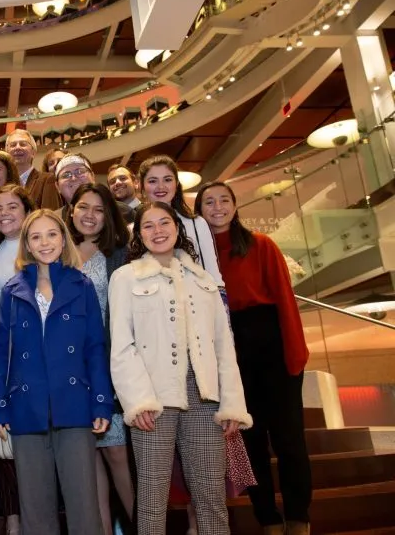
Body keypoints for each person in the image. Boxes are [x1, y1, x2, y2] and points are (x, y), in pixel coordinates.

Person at [109, 201, 252, 535]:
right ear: (138, 234)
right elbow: (122, 345)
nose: (157, 231)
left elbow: (223, 345)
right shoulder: (125, 277)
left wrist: (231, 403)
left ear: (177, 228)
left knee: (211, 495)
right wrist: (137, 400)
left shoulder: (203, 280)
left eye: (164, 223)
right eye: (148, 225)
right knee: (152, 497)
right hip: (154, 398)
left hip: (205, 397)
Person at [0, 209, 113, 535]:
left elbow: (95, 348)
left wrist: (102, 401)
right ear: (26, 244)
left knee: (83, 505)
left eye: (52, 234)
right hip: (26, 407)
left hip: (74, 404)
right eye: (36, 236)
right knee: (35, 508)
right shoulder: (12, 290)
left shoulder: (80, 284)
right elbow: (1, 353)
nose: (45, 242)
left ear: (63, 238)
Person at [196, 182, 311, 535]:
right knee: (249, 442)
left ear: (235, 205)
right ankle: (268, 519)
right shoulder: (196, 255)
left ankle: (299, 518)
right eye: (209, 202)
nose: (217, 207)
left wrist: (294, 356)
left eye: (224, 200)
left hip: (273, 350)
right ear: (199, 211)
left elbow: (285, 302)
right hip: (230, 354)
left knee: (289, 441)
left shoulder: (261, 244)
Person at [64, 184, 134, 534]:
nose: (89, 215)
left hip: (108, 365)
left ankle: (146, 526)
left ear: (109, 215)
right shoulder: (57, 252)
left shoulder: (119, 252)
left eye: (99, 209)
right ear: (72, 210)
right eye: (83, 207)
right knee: (88, 459)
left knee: (117, 452)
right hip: (68, 368)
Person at [0, 184, 35, 535]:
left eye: (12, 206)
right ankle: (13, 514)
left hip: (20, 339)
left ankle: (31, 512)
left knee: (24, 428)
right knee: (1, 429)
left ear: (27, 210)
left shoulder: (34, 245)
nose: (4, 213)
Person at [138, 155, 223, 287]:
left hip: (196, 300)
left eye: (167, 180)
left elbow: (212, 274)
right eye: (153, 181)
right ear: (142, 186)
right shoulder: (134, 228)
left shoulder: (197, 224)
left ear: (176, 184)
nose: (161, 187)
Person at [54, 153, 134, 223]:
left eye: (80, 171)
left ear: (92, 176)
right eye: (66, 175)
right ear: (57, 186)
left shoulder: (122, 212)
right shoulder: (54, 220)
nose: (74, 178)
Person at [5, 129, 61, 210]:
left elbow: (51, 216)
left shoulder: (47, 180)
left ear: (33, 153)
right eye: (13, 145)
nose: (17, 147)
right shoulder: (4, 184)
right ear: (7, 153)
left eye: (23, 144)